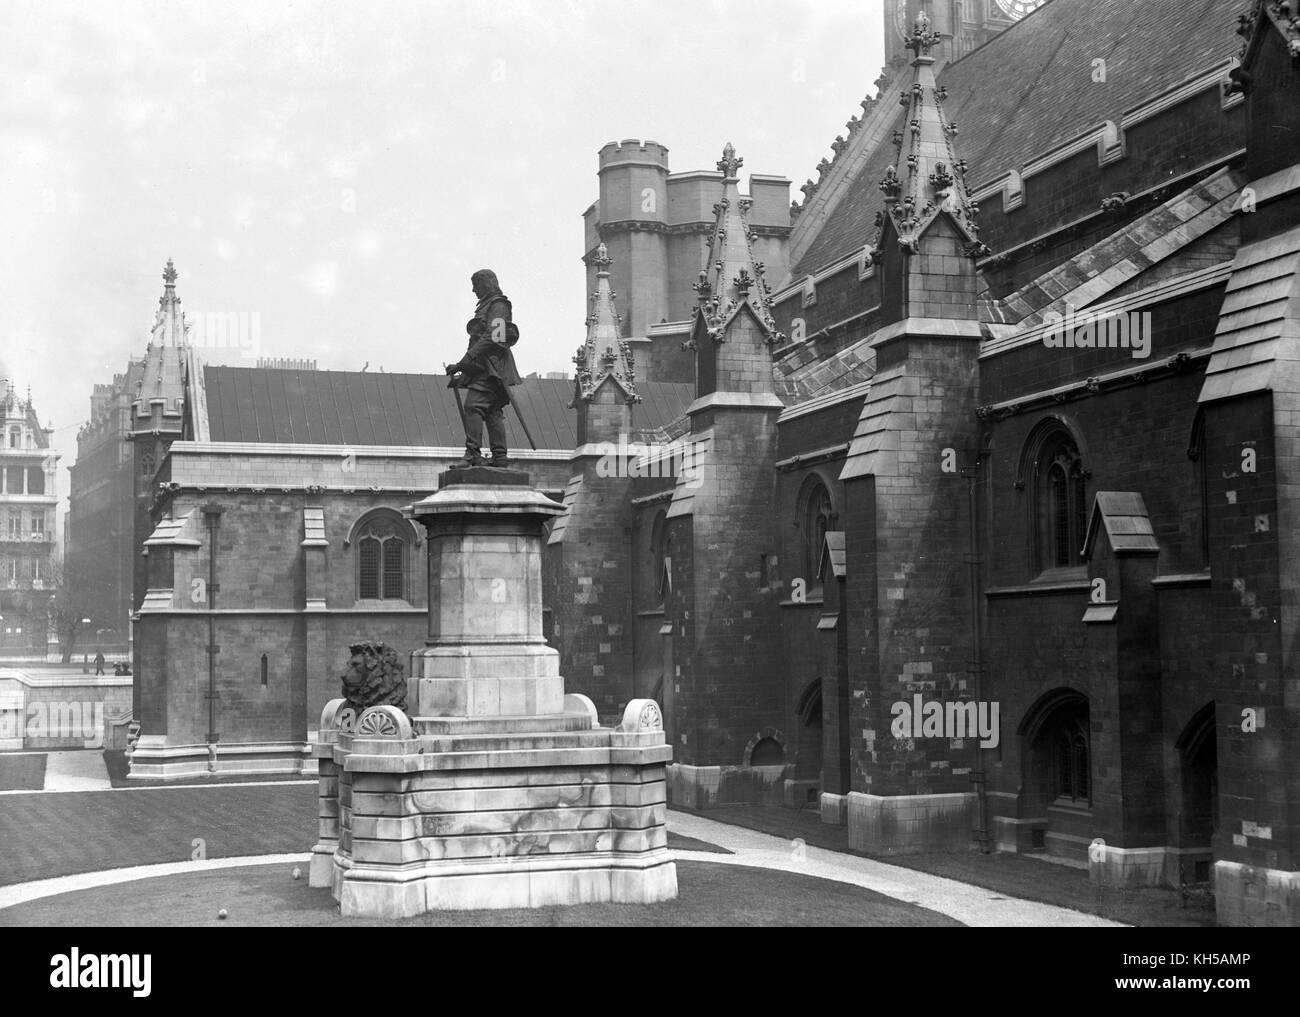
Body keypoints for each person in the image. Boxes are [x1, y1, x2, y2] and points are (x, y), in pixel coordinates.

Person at [445, 269, 522, 467]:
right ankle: (500, 458)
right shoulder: (487, 306)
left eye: (476, 285)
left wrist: (465, 360)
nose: (473, 290)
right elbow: (477, 342)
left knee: (474, 406)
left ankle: (473, 455)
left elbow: (492, 336)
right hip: (484, 367)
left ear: (486, 284)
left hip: (494, 367)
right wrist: (462, 368)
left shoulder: (498, 305)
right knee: (492, 411)